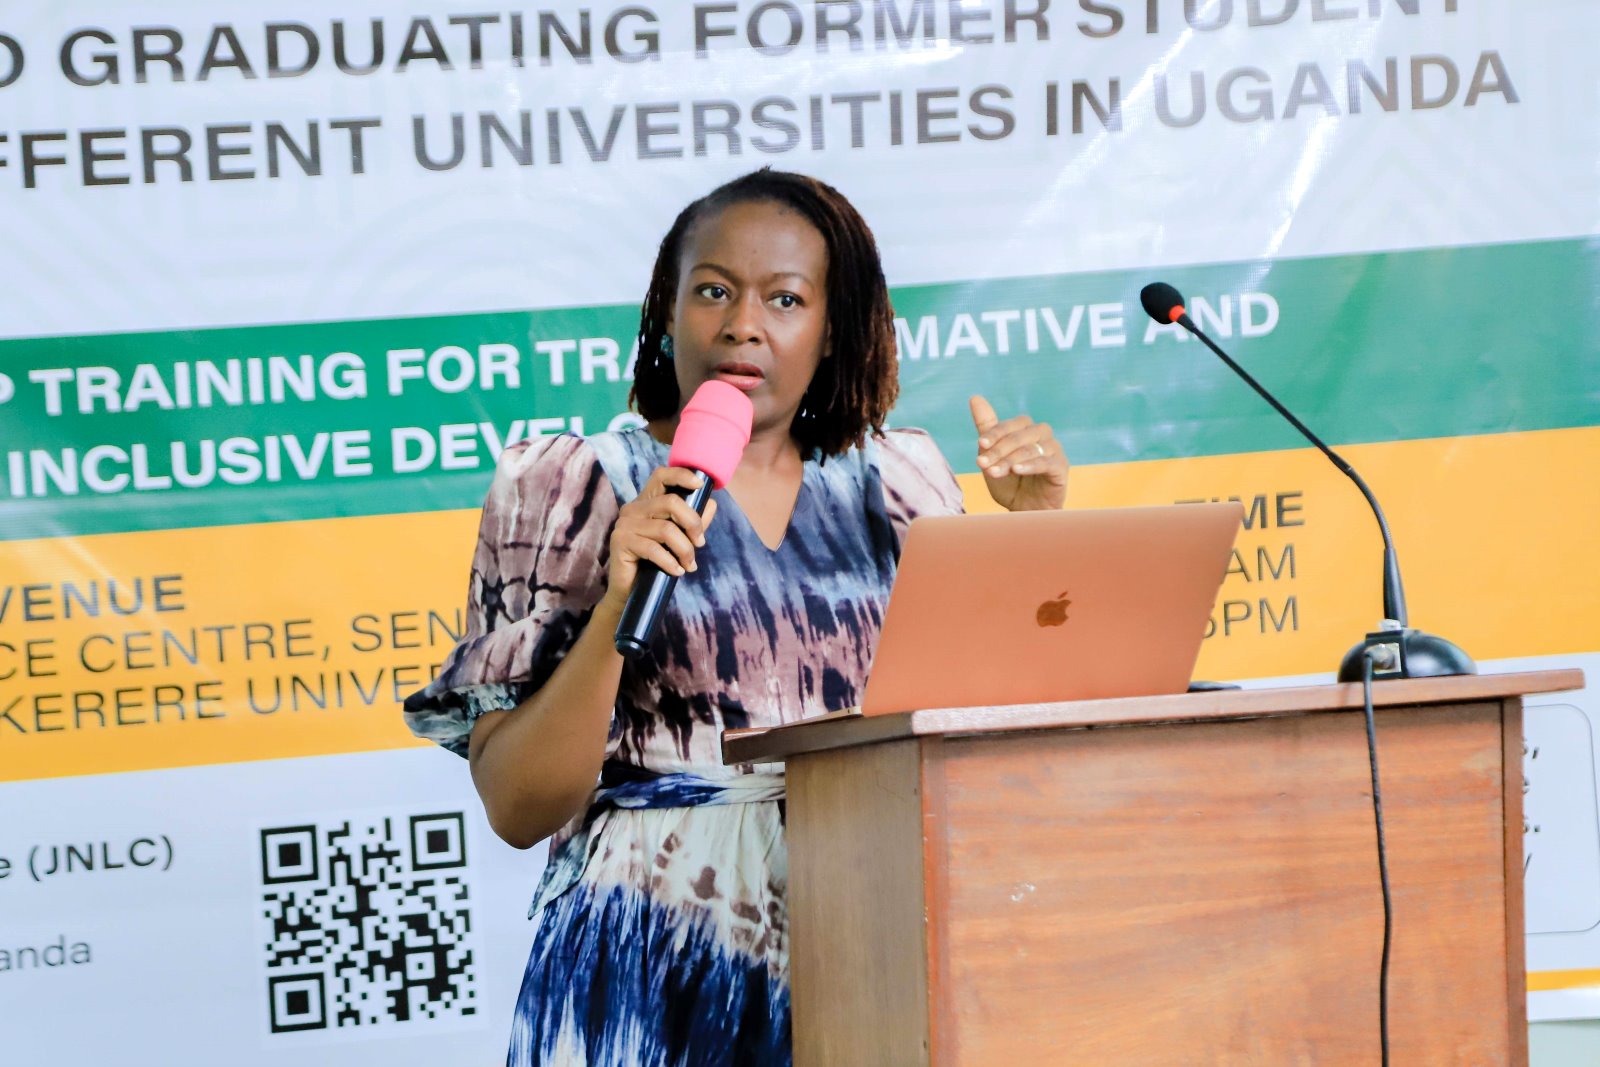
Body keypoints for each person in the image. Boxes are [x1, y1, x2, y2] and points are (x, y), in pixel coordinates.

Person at [403, 168, 1070, 1067]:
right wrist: (616, 600)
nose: (741, 325)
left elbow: (977, 740)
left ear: (831, 331)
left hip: (872, 945)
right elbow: (520, 806)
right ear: (665, 313)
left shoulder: (900, 480)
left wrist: (1034, 534)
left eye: (784, 298)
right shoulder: (565, 485)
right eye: (712, 290)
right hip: (654, 968)